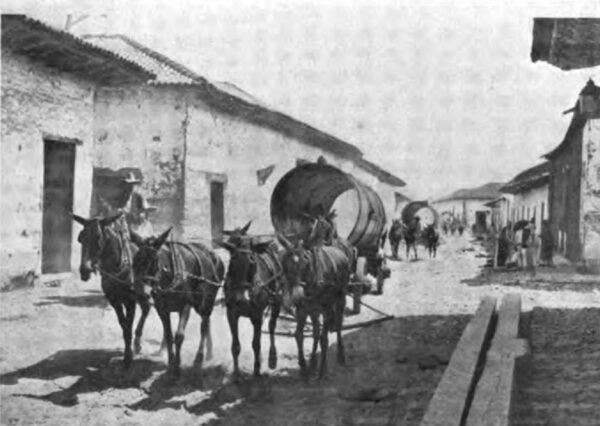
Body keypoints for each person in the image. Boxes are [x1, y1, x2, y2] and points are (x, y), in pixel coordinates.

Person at [118, 172, 157, 238]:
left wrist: (141, 212)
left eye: (133, 184)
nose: (131, 187)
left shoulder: (138, 197)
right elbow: (118, 210)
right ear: (125, 186)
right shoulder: (121, 198)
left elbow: (145, 210)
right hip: (125, 226)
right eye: (129, 184)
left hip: (137, 227)